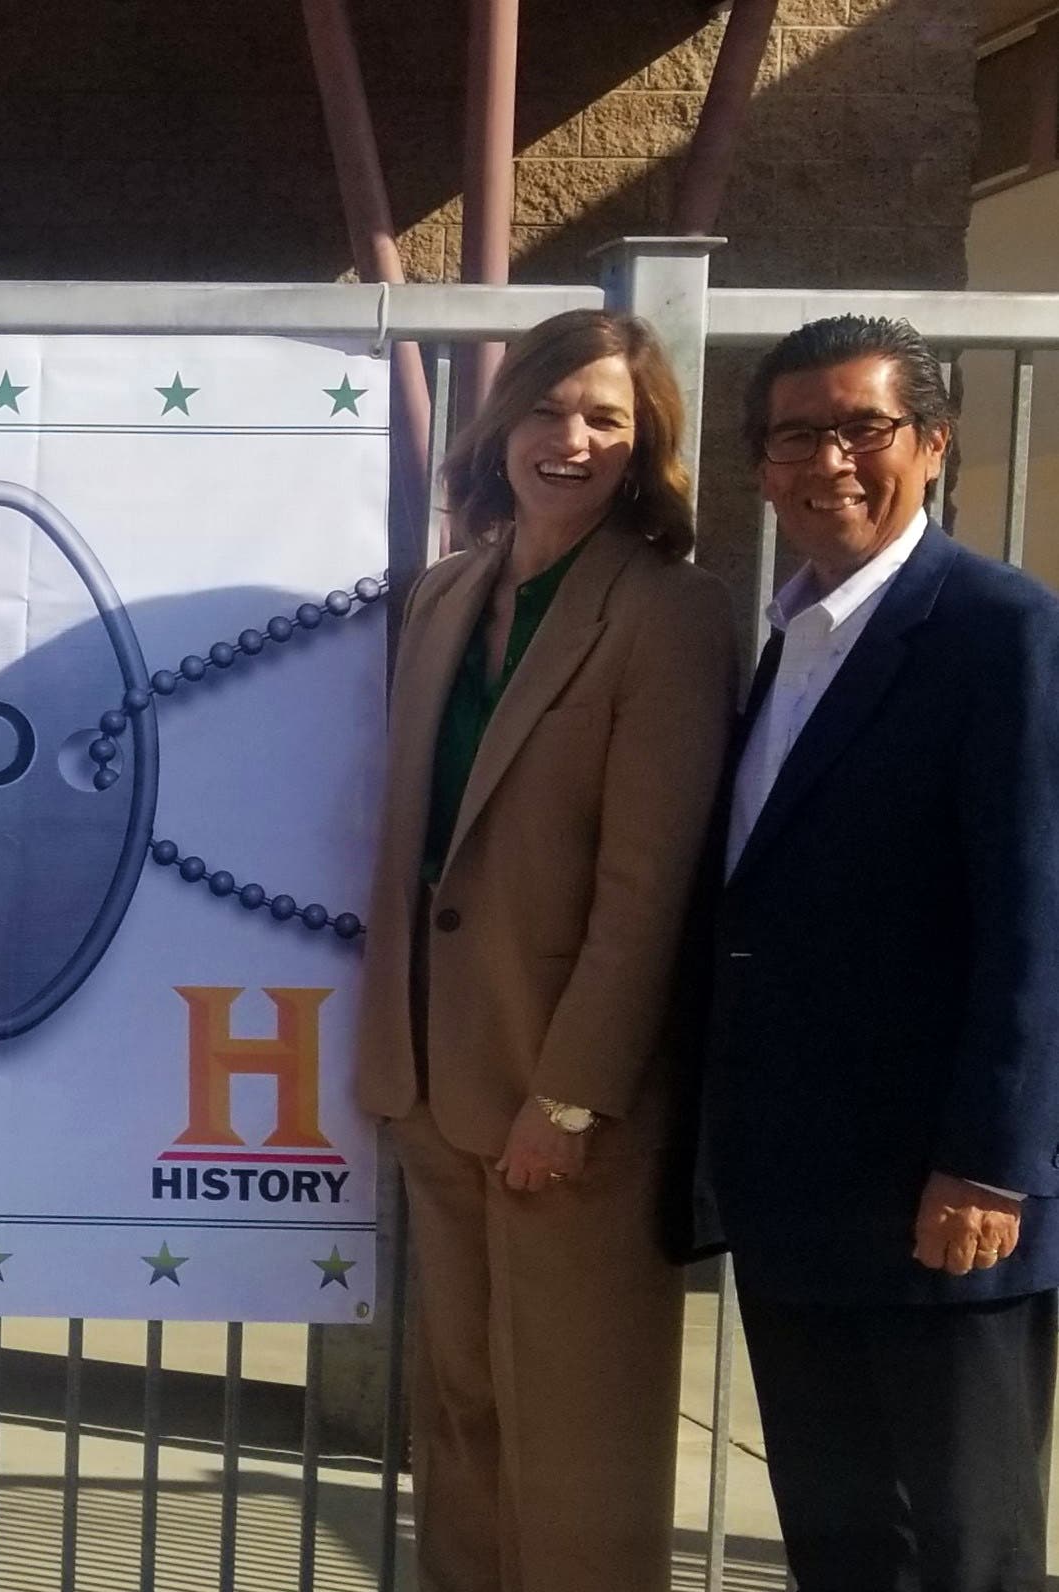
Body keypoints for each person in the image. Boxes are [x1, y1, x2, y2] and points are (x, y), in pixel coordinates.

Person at [353, 309, 737, 1590]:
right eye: (547, 408)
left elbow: (647, 888)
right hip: (431, 1081)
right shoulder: (445, 593)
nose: (568, 439)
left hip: (561, 1101)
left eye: (604, 418)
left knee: (575, 1439)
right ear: (500, 421)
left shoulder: (669, 613)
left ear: (643, 446)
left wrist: (568, 1095)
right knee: (459, 1421)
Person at [698, 314, 1059, 1592]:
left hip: (938, 1200)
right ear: (760, 464)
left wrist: (989, 1162)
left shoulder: (999, 630)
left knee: (961, 1550)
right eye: (796, 435)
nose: (829, 461)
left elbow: (1035, 917)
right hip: (797, 1193)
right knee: (841, 1546)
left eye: (863, 428)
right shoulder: (789, 638)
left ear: (934, 443)